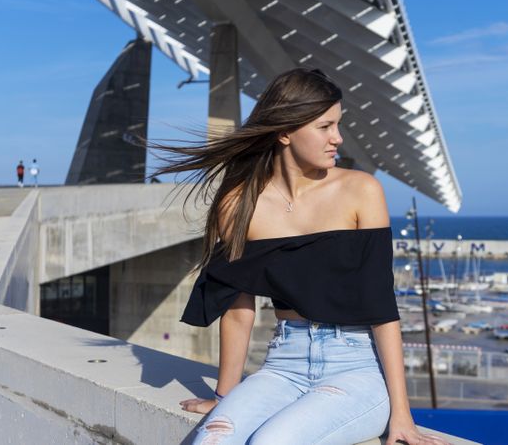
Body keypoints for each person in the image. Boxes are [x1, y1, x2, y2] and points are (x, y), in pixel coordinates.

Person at [154, 68, 450, 445]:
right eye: (325, 127)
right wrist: (225, 398)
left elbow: (381, 306)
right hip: (283, 365)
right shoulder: (239, 204)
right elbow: (237, 306)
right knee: (211, 440)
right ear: (284, 132)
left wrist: (402, 415)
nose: (337, 138)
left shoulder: (361, 191)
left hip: (356, 369)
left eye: (338, 125)